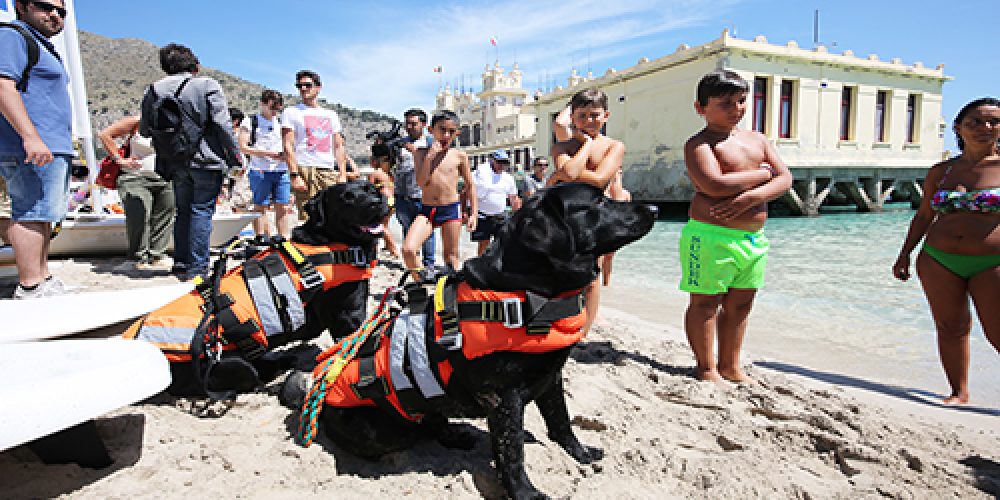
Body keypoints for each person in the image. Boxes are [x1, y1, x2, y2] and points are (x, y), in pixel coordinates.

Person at [679, 70, 792, 383]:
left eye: (742, 101)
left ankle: (730, 364)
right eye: (726, 103)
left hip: (753, 239)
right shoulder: (700, 144)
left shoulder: (757, 140)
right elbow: (714, 184)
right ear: (701, 108)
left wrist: (753, 197)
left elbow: (785, 178)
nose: (737, 108)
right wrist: (761, 175)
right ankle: (706, 367)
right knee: (705, 303)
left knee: (741, 303)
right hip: (710, 236)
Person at [892, 97, 1000, 404]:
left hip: (991, 261)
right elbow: (925, 215)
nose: (985, 128)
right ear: (958, 128)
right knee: (951, 326)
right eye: (975, 122)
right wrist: (905, 253)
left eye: (994, 121)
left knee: (997, 332)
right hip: (939, 259)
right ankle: (959, 392)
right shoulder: (942, 171)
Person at [140, 43, 240, 281]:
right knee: (202, 211)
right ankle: (198, 268)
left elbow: (144, 130)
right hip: (206, 159)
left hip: (173, 161)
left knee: (182, 212)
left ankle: (181, 263)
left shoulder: (153, 90)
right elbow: (223, 125)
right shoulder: (206, 85)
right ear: (195, 65)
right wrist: (235, 157)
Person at [0, 0, 72, 298]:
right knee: (31, 212)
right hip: (31, 145)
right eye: (46, 7)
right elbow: (3, 85)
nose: (54, 14)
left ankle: (41, 278)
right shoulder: (14, 36)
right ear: (22, 6)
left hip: (50, 144)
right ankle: (31, 285)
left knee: (43, 214)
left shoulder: (40, 44)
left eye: (61, 11)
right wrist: (30, 136)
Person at [549, 88, 625, 335]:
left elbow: (601, 179)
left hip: (595, 218)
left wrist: (566, 173)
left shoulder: (614, 146)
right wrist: (586, 146)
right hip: (565, 216)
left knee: (592, 276)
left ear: (606, 116)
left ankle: (584, 330)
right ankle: (560, 320)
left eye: (594, 115)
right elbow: (570, 174)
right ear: (572, 117)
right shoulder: (562, 146)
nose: (589, 121)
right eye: (582, 116)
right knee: (559, 271)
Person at [402, 110, 475, 283]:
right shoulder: (420, 153)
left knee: (451, 257)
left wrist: (473, 214)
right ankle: (421, 284)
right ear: (430, 130)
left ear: (457, 133)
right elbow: (421, 182)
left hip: (450, 210)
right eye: (442, 130)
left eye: (451, 131)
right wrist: (429, 157)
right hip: (427, 210)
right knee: (408, 250)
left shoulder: (459, 156)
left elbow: (470, 185)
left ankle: (452, 294)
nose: (446, 135)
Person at [97, 115, 175, 270]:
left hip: (166, 176)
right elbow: (105, 134)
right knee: (138, 215)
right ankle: (137, 257)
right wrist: (119, 160)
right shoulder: (138, 121)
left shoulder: (179, 122)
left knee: (165, 214)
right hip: (136, 176)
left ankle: (157, 254)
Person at [282, 70, 347, 220]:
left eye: (307, 85)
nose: (303, 89)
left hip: (327, 169)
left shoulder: (331, 115)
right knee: (309, 216)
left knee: (334, 214)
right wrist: (294, 174)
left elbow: (338, 145)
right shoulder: (291, 112)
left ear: (318, 88)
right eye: (299, 86)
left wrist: (342, 173)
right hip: (305, 169)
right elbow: (288, 145)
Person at [239, 89, 291, 240]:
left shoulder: (281, 123)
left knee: (282, 205)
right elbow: (243, 146)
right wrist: (268, 154)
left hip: (281, 169)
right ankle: (261, 236)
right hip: (259, 168)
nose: (274, 112)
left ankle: (283, 237)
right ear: (262, 104)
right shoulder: (251, 121)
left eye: (277, 108)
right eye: (272, 107)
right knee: (260, 204)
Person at [395, 108, 436, 277]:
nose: (410, 127)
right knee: (407, 230)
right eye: (407, 124)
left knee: (427, 232)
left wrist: (414, 151)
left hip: (423, 196)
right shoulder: (399, 144)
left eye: (414, 123)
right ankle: (412, 262)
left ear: (424, 125)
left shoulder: (430, 143)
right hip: (401, 195)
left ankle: (429, 264)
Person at [470, 149, 521, 255]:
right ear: (492, 161)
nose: (502, 165)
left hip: (500, 216)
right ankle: (482, 266)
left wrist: (518, 216)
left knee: (503, 242)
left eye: (505, 163)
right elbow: (467, 192)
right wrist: (466, 212)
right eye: (499, 162)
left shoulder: (508, 178)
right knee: (484, 244)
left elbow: (513, 198)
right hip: (482, 216)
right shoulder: (479, 174)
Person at [368, 142, 398, 257]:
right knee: (386, 225)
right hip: (392, 201)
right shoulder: (389, 174)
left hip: (384, 201)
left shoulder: (375, 174)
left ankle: (394, 250)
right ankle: (389, 247)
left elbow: (369, 190)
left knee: (382, 227)